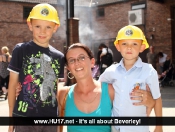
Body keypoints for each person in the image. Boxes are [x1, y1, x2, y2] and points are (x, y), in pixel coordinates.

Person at [57, 43, 156, 132]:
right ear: (68, 67)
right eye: (71, 60)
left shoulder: (110, 90)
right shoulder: (63, 94)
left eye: (82, 57)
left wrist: (151, 102)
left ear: (92, 62)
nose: (77, 62)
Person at [7, 3, 64, 132]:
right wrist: (11, 119)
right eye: (38, 26)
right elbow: (12, 85)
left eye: (48, 27)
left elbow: (55, 91)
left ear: (55, 28)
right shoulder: (20, 50)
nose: (42, 31)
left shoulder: (59, 57)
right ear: (30, 25)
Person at [99, 25, 162, 132]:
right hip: (115, 128)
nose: (129, 47)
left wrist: (159, 127)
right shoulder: (111, 71)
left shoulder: (149, 71)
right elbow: (97, 87)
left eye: (134, 44)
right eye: (124, 44)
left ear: (142, 47)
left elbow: (157, 99)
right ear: (118, 47)